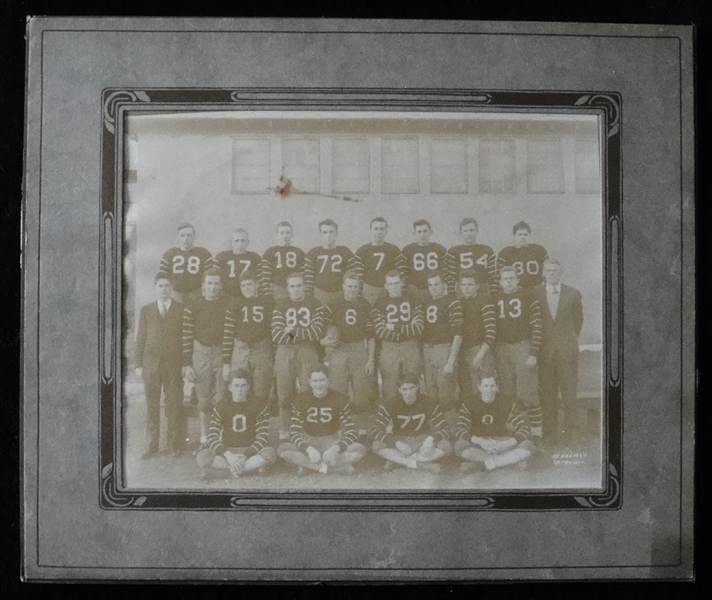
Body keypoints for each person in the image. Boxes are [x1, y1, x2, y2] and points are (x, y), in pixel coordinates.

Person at [278, 365, 367, 474]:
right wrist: (308, 449)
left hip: (331, 441)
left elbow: (351, 432)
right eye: (315, 381)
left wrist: (336, 448)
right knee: (283, 449)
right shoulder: (301, 399)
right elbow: (294, 432)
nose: (319, 385)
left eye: (322, 380)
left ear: (328, 381)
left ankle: (307, 465)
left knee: (359, 449)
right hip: (309, 440)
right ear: (309, 382)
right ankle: (332, 468)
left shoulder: (339, 399)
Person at [134, 273, 186, 458]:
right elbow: (140, 338)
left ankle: (174, 446)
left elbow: (184, 338)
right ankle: (151, 446)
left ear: (171, 288)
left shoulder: (180, 309)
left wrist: (185, 364)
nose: (164, 289)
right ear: (155, 287)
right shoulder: (146, 310)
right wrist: (138, 364)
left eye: (167, 286)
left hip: (173, 366)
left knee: (173, 405)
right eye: (161, 286)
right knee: (152, 406)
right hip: (151, 366)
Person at [534, 259, 584, 444]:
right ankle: (550, 434)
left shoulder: (573, 293)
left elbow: (578, 321)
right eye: (548, 270)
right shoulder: (536, 293)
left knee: (569, 393)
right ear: (543, 273)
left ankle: (573, 433)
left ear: (561, 272)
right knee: (547, 395)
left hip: (566, 351)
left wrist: (567, 341)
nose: (552, 273)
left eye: (555, 270)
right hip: (545, 352)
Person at [271, 272, 326, 439]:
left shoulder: (314, 303)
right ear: (287, 288)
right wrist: (303, 334)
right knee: (284, 393)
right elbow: (277, 336)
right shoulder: (280, 305)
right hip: (284, 352)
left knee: (308, 391)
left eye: (299, 285)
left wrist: (293, 331)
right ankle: (284, 433)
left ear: (305, 287)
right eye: (293, 286)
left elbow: (316, 332)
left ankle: (307, 432)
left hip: (308, 351)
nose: (296, 289)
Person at [491, 266, 543, 441]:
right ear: (499, 282)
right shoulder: (495, 298)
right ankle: (515, 434)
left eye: (512, 278)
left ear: (517, 279)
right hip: (502, 348)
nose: (509, 281)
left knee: (528, 392)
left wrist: (534, 352)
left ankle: (536, 435)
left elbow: (536, 324)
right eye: (505, 279)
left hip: (523, 346)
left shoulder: (528, 296)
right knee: (507, 393)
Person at [321, 270, 376, 434]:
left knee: (362, 391)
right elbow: (323, 325)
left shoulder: (364, 304)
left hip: (359, 348)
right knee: (337, 390)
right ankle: (340, 427)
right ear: (343, 285)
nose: (353, 289)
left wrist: (371, 358)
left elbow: (371, 335)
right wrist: (324, 341)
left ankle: (362, 429)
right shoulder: (333, 303)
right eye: (350, 286)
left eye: (356, 287)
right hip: (339, 349)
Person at [182, 267, 230, 452]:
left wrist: (227, 361)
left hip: (220, 353)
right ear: (203, 286)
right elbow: (186, 335)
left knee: (221, 396)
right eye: (210, 283)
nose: (213, 287)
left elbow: (230, 332)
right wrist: (187, 364)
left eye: (216, 284)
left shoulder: (227, 303)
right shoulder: (193, 304)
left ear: (221, 285)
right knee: (203, 399)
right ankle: (204, 438)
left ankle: (219, 436)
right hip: (200, 353)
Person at [196, 369, 276, 478]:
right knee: (202, 456)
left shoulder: (259, 406)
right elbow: (212, 437)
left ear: (248, 387)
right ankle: (244, 469)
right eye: (236, 385)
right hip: (229, 450)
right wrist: (228, 455)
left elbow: (262, 438)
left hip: (250, 450)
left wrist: (245, 455)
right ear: (230, 387)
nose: (239, 390)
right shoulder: (221, 406)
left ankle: (229, 472)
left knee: (270, 453)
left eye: (243, 386)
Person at [370, 372, 451, 471]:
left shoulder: (428, 402)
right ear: (399, 390)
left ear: (417, 387)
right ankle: (418, 464)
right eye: (404, 389)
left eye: (411, 388)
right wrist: (395, 442)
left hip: (422, 439)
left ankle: (398, 460)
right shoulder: (391, 403)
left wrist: (431, 439)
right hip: (400, 440)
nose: (408, 393)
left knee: (446, 446)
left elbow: (446, 429)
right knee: (377, 445)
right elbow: (375, 430)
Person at [454, 375, 534, 471]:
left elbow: (524, 428)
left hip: (503, 442)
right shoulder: (470, 403)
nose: (489, 390)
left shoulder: (506, 402)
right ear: (479, 387)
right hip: (480, 445)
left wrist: (506, 443)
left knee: (528, 445)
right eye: (486, 386)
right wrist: (480, 441)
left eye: (492, 386)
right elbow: (459, 430)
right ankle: (506, 462)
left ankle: (487, 464)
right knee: (459, 445)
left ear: (497, 387)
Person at [370, 270, 424, 403]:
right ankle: (390, 414)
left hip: (410, 345)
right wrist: (406, 329)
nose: (393, 287)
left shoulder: (413, 299)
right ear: (385, 286)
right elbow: (381, 332)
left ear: (402, 283)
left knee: (412, 380)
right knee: (389, 383)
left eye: (396, 283)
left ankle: (414, 411)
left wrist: (394, 327)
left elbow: (418, 328)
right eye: (390, 284)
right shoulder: (379, 302)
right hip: (389, 347)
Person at [222, 270, 274, 399]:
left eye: (249, 284)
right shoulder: (235, 304)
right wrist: (226, 363)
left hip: (262, 350)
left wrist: (275, 357)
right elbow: (228, 334)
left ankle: (261, 419)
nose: (246, 288)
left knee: (261, 391)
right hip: (241, 350)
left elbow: (274, 330)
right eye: (243, 285)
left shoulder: (268, 302)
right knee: (239, 390)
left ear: (257, 285)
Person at [421, 271, 463, 422]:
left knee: (446, 391)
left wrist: (451, 360)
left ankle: (450, 429)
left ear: (444, 285)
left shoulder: (452, 302)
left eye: (436, 284)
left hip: (444, 349)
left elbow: (458, 333)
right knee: (430, 391)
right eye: (430, 285)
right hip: (427, 349)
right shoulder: (425, 303)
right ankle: (435, 429)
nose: (433, 288)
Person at [457, 269, 497, 399]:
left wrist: (480, 355)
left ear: (477, 286)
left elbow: (491, 331)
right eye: (464, 285)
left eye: (470, 285)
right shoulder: (459, 303)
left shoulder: (484, 301)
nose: (466, 288)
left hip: (480, 351)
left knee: (482, 390)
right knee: (467, 390)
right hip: (463, 352)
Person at [306, 218, 359, 306]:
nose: (328, 236)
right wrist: (308, 297)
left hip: (340, 294)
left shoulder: (346, 252)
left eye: (331, 232)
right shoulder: (313, 253)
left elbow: (351, 278)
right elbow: (309, 279)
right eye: (325, 232)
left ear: (336, 233)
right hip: (320, 294)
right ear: (320, 234)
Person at [354, 217, 407, 305]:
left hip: (388, 290)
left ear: (386, 231)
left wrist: (401, 292)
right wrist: (359, 295)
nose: (379, 232)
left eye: (382, 229)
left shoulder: (393, 250)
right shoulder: (362, 251)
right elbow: (359, 276)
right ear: (371, 230)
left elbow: (401, 273)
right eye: (376, 229)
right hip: (369, 290)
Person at [159, 222, 213, 302]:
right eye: (182, 235)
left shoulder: (204, 254)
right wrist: (172, 293)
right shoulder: (169, 255)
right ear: (177, 237)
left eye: (189, 235)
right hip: (174, 296)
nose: (185, 238)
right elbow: (162, 278)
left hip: (198, 296)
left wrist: (198, 293)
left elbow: (210, 277)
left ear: (194, 237)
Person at [260, 222, 312, 302]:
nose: (285, 236)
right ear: (277, 234)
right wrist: (267, 294)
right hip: (277, 291)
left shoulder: (299, 252)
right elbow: (265, 276)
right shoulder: (269, 252)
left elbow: (305, 274)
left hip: (296, 290)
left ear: (292, 234)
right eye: (282, 233)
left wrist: (306, 292)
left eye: (288, 233)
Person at [446, 217, 497, 294]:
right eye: (465, 231)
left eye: (471, 230)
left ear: (477, 231)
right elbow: (451, 278)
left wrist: (494, 294)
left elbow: (492, 276)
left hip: (482, 289)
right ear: (461, 233)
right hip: (463, 290)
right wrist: (451, 295)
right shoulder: (454, 252)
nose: (469, 233)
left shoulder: (487, 250)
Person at [401, 219, 449, 300]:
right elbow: (404, 273)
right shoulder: (408, 250)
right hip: (414, 289)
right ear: (414, 233)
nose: (422, 234)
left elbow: (445, 271)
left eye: (425, 231)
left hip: (434, 289)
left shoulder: (439, 249)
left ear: (430, 232)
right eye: (419, 232)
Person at [496, 221, 549, 289]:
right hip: (516, 290)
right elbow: (500, 275)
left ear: (529, 235)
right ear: (514, 236)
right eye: (520, 235)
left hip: (537, 288)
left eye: (525, 234)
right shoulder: (506, 253)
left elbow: (548, 270)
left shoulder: (539, 250)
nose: (523, 237)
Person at [213, 228, 263, 298]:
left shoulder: (255, 258)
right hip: (226, 296)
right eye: (236, 241)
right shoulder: (221, 257)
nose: (240, 244)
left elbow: (260, 280)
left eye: (243, 241)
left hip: (248, 296)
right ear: (231, 242)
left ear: (247, 242)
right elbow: (215, 279)